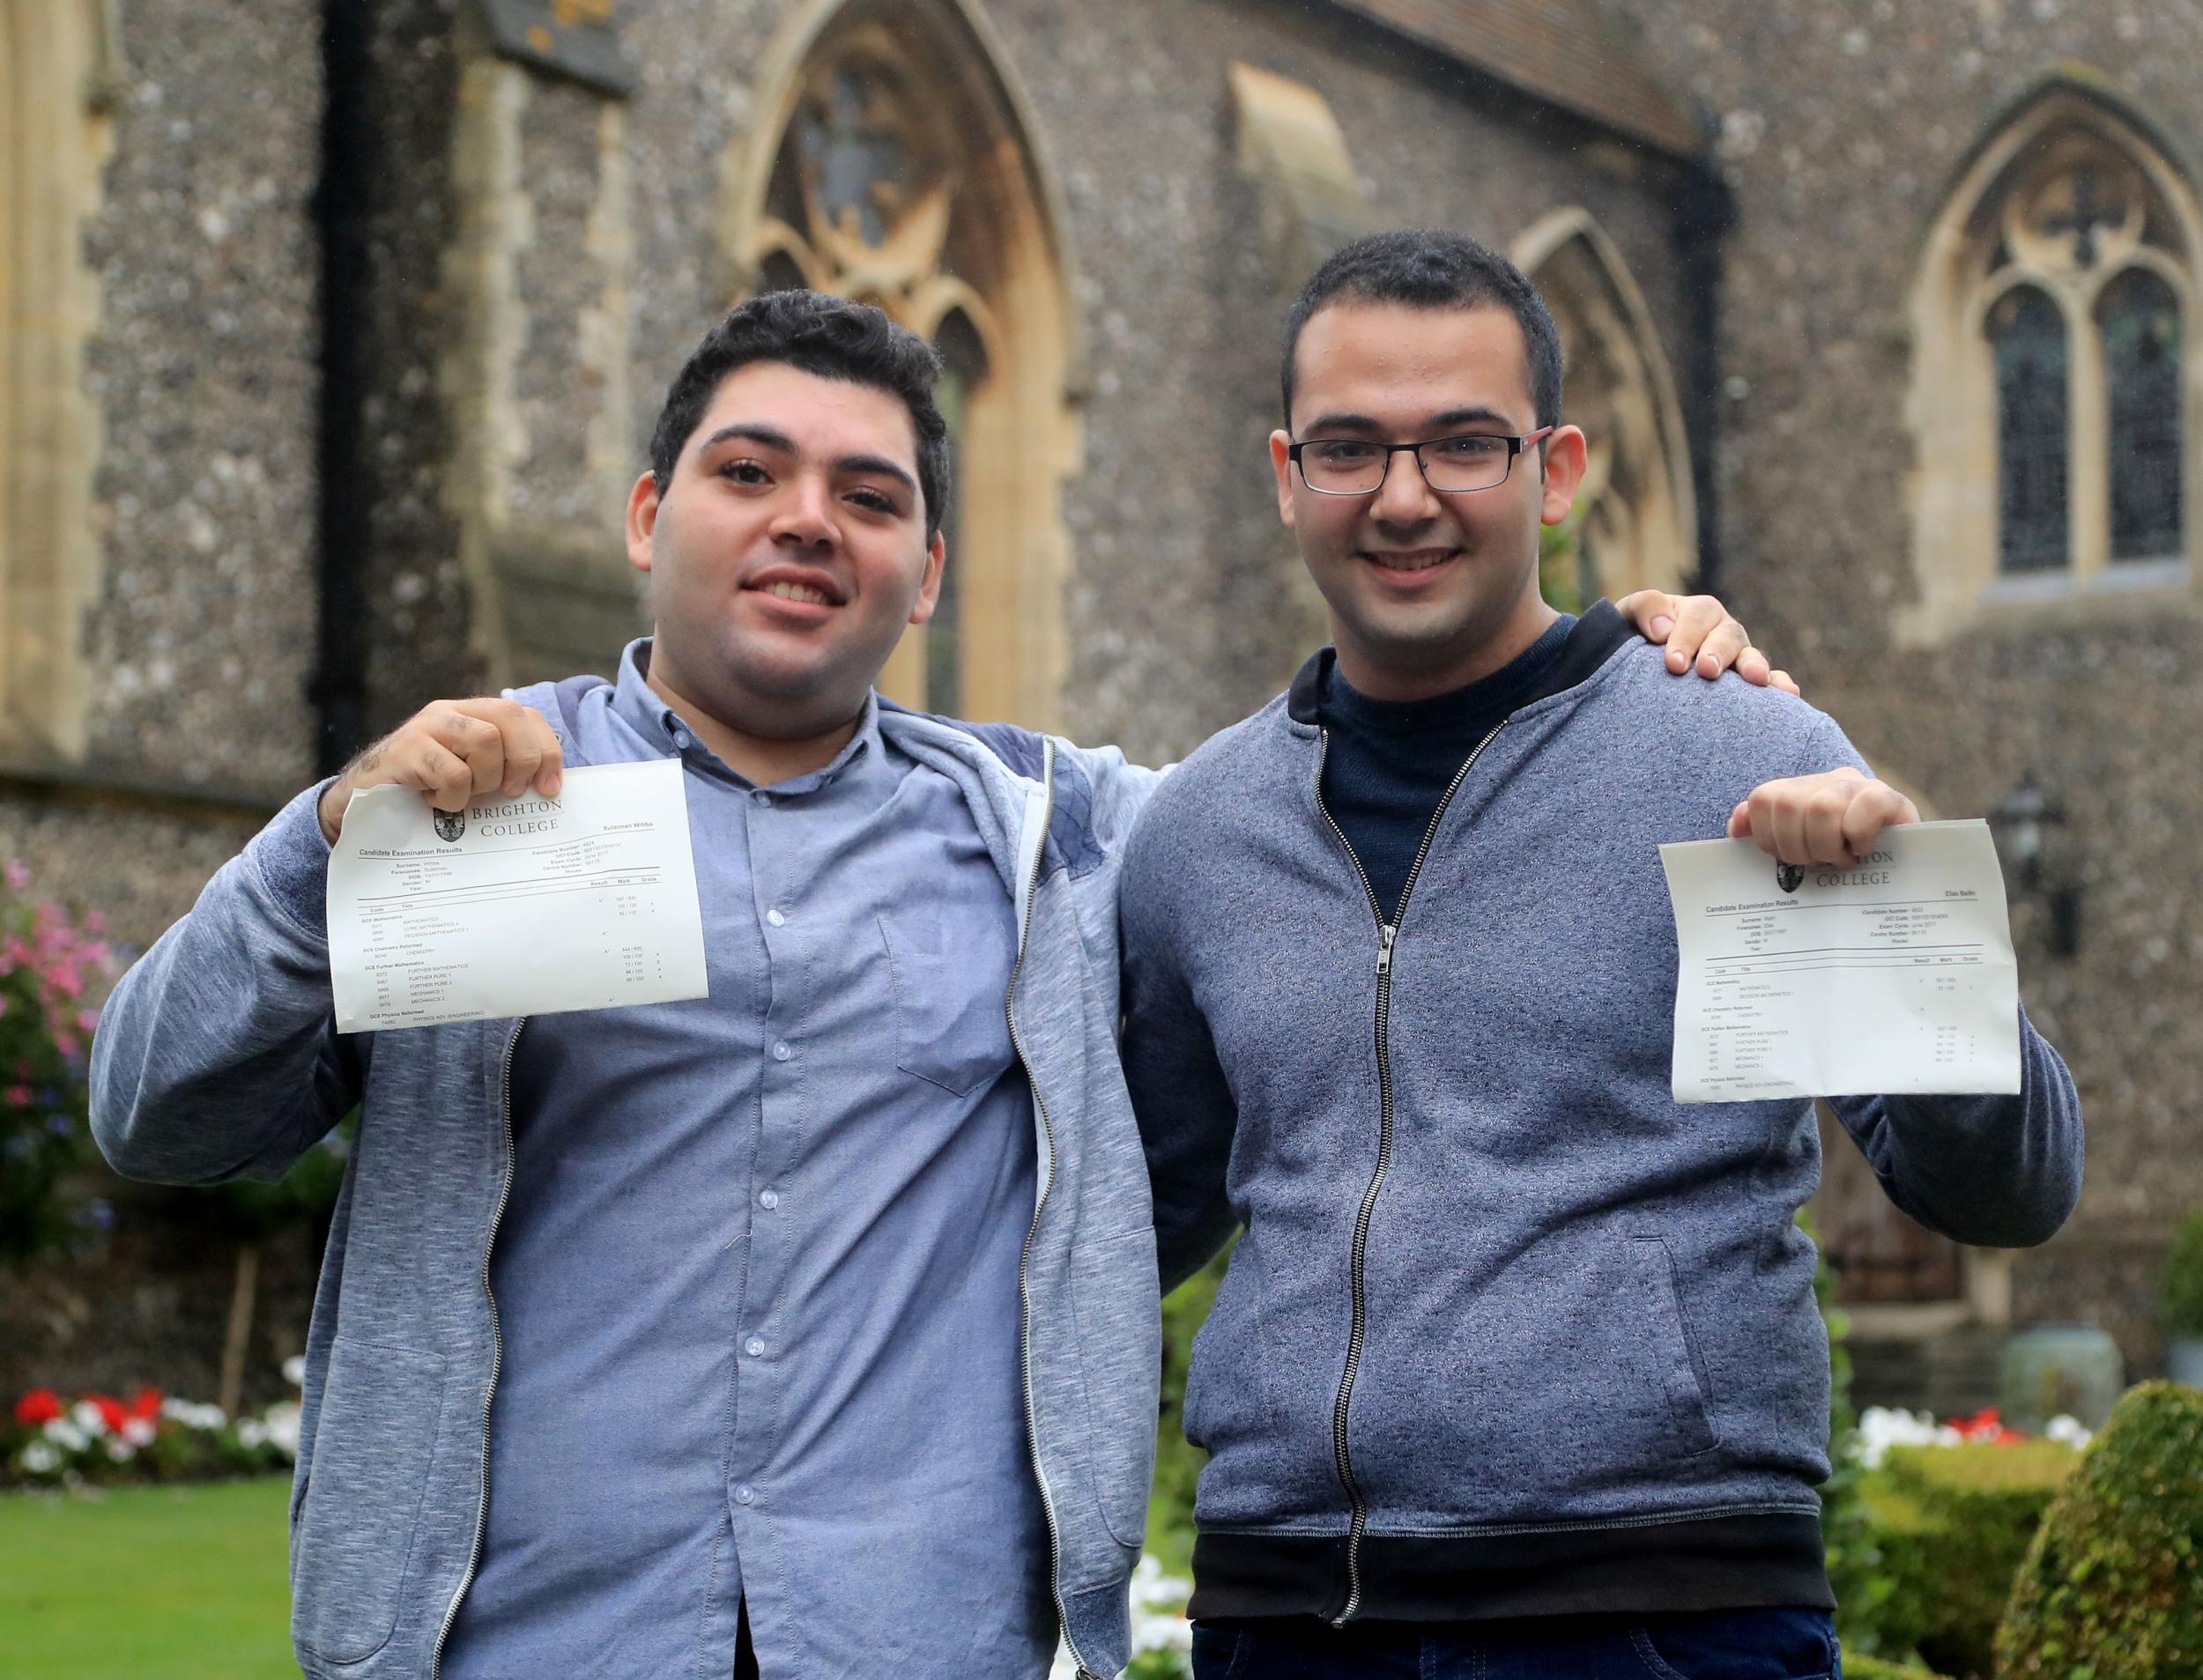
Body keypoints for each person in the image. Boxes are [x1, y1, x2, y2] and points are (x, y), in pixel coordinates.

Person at [90, 287, 1771, 1680]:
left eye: (871, 496)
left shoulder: (1076, 837)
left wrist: (1596, 664)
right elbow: (159, 1117)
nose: (809, 520)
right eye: (751, 472)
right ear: (646, 515)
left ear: (930, 570)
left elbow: (1336, 789)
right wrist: (325, 841)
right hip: (515, 1638)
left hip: (913, 1640)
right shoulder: (473, 799)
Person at [1116, 231, 2085, 1680]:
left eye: (1463, 444)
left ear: (1557, 470)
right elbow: (1135, 1215)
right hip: (1288, 1616)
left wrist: (1898, 916)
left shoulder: (1737, 754)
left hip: (1658, 1602)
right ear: (1285, 474)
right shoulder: (1196, 832)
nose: (1403, 496)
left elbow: (2005, 1190)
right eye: (1349, 449)